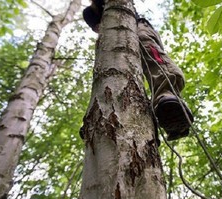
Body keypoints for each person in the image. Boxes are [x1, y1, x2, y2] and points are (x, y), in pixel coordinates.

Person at [83, 1, 194, 141]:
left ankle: (168, 99)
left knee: (151, 55)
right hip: (116, 40)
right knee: (119, 73)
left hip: (139, 28)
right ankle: (154, 120)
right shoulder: (90, 12)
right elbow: (99, 28)